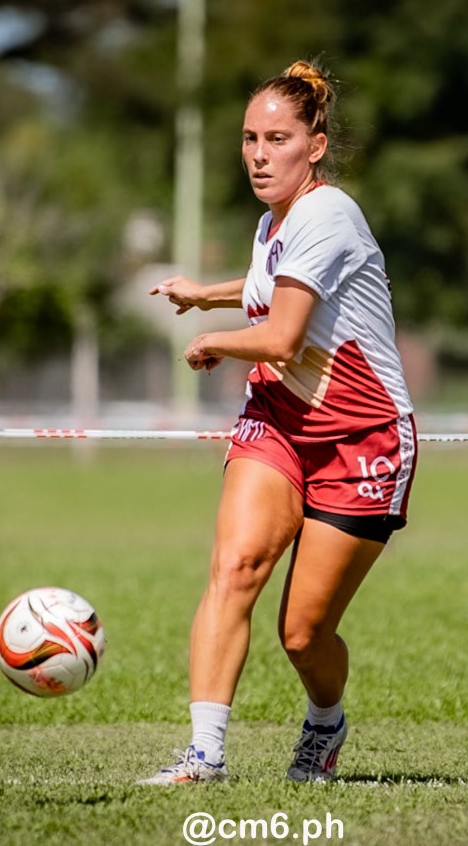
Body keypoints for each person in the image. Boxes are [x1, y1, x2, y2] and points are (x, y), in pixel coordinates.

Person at [139, 59, 417, 785]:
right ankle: (204, 756)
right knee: (232, 571)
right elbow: (270, 284)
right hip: (279, 417)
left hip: (364, 437)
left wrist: (212, 341)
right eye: (249, 138)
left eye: (278, 138)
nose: (259, 155)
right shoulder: (276, 222)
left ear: (315, 146)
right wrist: (207, 296)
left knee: (302, 633)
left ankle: (326, 723)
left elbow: (283, 336)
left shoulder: (328, 215)